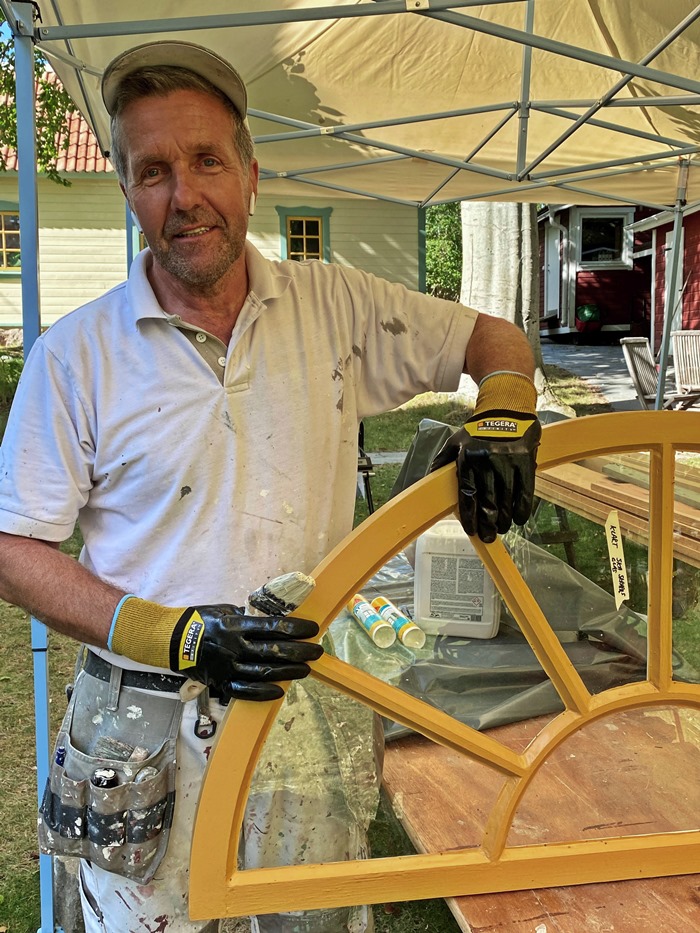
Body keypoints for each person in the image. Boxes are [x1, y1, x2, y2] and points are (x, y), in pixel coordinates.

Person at [0, 40, 540, 933]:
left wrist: (508, 409)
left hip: (304, 704)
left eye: (207, 160)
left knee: (312, 923)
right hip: (143, 721)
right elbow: (14, 550)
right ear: (129, 190)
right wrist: (176, 634)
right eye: (153, 171)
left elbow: (493, 338)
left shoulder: (334, 307)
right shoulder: (75, 355)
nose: (185, 195)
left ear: (250, 175)